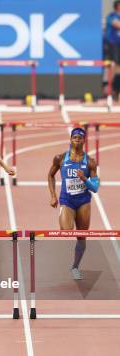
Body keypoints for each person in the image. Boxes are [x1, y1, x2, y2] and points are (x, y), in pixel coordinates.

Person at [47, 127, 99, 280]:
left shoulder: (90, 162)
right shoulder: (60, 158)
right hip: (67, 200)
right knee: (66, 230)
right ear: (70, 139)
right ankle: (63, 214)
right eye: (74, 137)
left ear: (84, 140)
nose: (77, 139)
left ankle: (75, 267)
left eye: (80, 137)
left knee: (81, 237)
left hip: (83, 201)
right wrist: (53, 196)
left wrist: (85, 179)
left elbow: (95, 188)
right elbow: (50, 176)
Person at [104, 1, 120, 96]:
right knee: (113, 64)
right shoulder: (112, 15)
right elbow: (117, 25)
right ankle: (111, 87)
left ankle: (116, 87)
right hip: (113, 44)